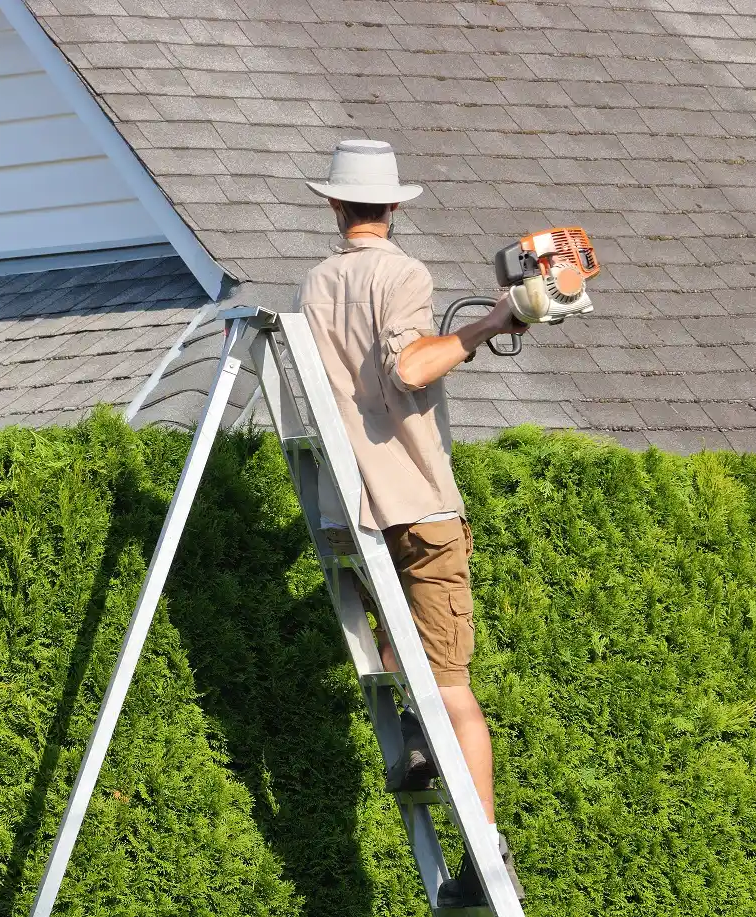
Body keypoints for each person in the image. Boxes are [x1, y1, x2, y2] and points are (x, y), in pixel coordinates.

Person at [294, 138, 527, 908]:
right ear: (393, 207)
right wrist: (495, 319)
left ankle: (419, 747)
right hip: (417, 501)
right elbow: (408, 367)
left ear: (334, 204)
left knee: (397, 637)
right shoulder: (402, 272)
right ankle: (484, 861)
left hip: (352, 505)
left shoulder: (318, 281)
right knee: (455, 687)